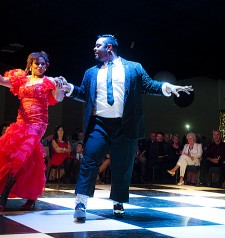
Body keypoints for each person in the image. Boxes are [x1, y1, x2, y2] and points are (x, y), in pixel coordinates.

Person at [61, 34, 193, 223]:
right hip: (99, 124)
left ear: (109, 48)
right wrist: (70, 89)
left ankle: (118, 200)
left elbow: (149, 85)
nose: (94, 49)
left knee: (122, 166)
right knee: (89, 160)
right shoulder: (91, 72)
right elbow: (84, 94)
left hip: (125, 124)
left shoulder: (133, 67)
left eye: (97, 45)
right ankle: (81, 202)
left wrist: (167, 87)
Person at [0, 51, 65, 211]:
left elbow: (58, 99)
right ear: (31, 65)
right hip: (21, 122)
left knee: (21, 157)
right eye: (37, 63)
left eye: (43, 64)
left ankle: (3, 198)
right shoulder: (22, 79)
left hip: (38, 124)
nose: (40, 66)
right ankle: (31, 196)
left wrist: (59, 88)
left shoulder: (48, 81)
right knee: (21, 158)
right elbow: (2, 81)